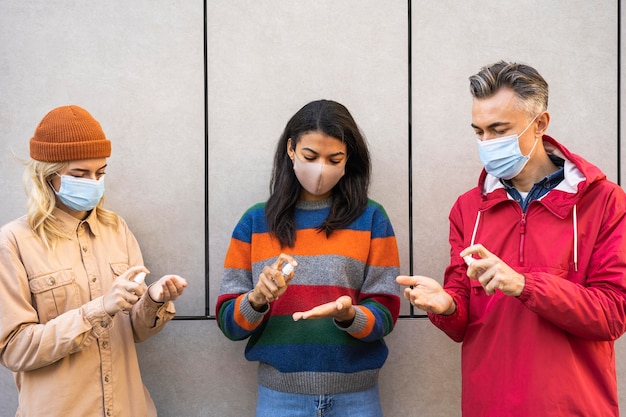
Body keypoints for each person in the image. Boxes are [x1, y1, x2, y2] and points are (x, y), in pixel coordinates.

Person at [397, 61, 626, 417]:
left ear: (540, 124)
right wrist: (446, 306)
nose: (487, 143)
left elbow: (613, 313)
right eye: (479, 131)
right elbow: (463, 322)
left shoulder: (604, 201)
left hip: (576, 408)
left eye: (499, 130)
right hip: (488, 406)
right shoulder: (467, 209)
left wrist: (524, 284)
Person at [216, 99, 401, 417]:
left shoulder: (372, 218)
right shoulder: (255, 222)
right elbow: (229, 324)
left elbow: (385, 313)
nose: (320, 169)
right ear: (291, 150)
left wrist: (348, 316)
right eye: (310, 156)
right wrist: (257, 299)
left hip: (356, 398)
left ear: (349, 158)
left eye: (334, 158)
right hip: (280, 399)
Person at [0, 105, 188, 417]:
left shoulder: (117, 230)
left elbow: (135, 332)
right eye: (79, 174)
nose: (93, 183)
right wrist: (99, 309)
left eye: (100, 173)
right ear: (48, 175)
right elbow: (15, 350)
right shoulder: (13, 242)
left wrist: (154, 300)